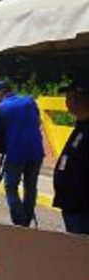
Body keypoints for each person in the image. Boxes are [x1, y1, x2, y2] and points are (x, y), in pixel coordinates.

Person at [0, 79, 45, 227]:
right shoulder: (30, 101)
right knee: (31, 186)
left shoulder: (0, 108)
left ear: (0, 93)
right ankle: (26, 218)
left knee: (10, 186)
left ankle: (19, 221)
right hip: (36, 151)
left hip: (15, 153)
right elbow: (38, 122)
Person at [54, 76, 89, 235]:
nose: (66, 101)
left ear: (80, 99)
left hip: (81, 208)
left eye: (69, 97)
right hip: (72, 206)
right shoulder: (81, 126)